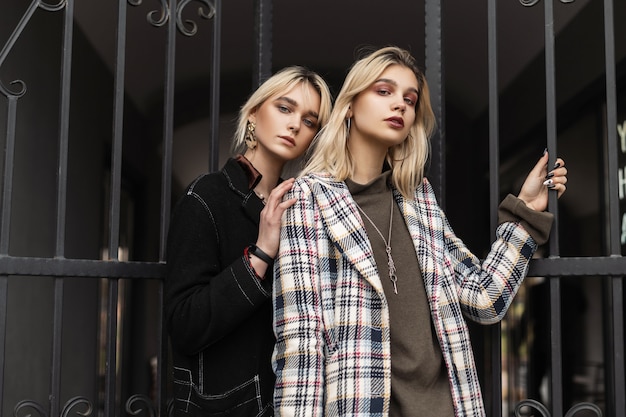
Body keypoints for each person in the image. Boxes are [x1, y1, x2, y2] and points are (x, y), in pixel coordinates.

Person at [271, 46, 567, 416]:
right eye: (384, 91)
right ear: (350, 104)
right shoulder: (309, 198)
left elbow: (483, 298)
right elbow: (302, 343)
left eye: (409, 100)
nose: (400, 105)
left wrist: (524, 215)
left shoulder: (418, 201)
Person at [165, 66, 332, 416]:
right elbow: (184, 325)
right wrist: (260, 254)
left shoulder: (303, 209)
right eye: (284, 108)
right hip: (227, 406)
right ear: (254, 113)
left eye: (310, 120)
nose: (295, 125)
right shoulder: (206, 196)